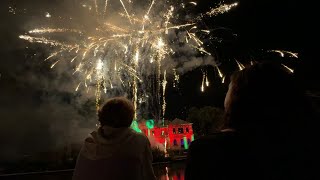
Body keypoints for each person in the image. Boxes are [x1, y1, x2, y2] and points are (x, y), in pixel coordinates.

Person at [185, 62, 317, 180]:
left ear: (239, 98)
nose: (226, 93)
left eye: (230, 88)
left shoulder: (207, 149)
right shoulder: (303, 146)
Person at [73, 97, 156, 180]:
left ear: (101, 117)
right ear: (129, 118)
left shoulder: (89, 143)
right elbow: (148, 176)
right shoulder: (139, 140)